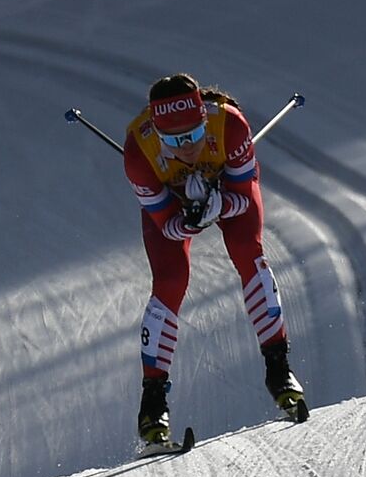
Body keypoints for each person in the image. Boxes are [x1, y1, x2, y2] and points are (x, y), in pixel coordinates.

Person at [122, 73, 306, 446]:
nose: (188, 147)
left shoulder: (230, 126)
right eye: (174, 141)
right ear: (157, 134)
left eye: (193, 134)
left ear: (205, 118)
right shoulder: (139, 152)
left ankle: (279, 370)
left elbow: (243, 196)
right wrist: (188, 220)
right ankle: (152, 404)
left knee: (248, 250)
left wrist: (219, 202)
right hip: (172, 201)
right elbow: (166, 225)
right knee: (170, 281)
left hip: (226, 188)